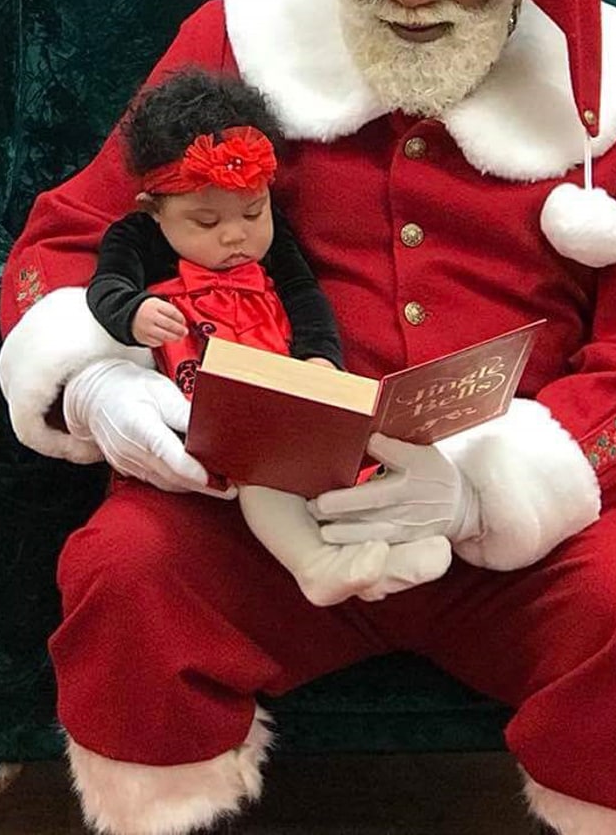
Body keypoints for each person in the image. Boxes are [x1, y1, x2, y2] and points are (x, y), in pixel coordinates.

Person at [0, 0, 616, 835]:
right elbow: (70, 234)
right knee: (127, 573)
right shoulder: (239, 37)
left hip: (525, 513)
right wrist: (104, 383)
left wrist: (486, 485)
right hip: (258, 503)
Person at [86, 66, 452, 607]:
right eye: (206, 224)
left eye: (252, 213)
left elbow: (307, 301)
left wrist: (320, 360)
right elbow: (105, 286)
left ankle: (386, 552)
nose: (235, 235)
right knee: (265, 476)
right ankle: (317, 564)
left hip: (282, 381)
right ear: (154, 212)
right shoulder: (137, 238)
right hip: (207, 399)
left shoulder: (273, 241)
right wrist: (133, 313)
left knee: (347, 459)